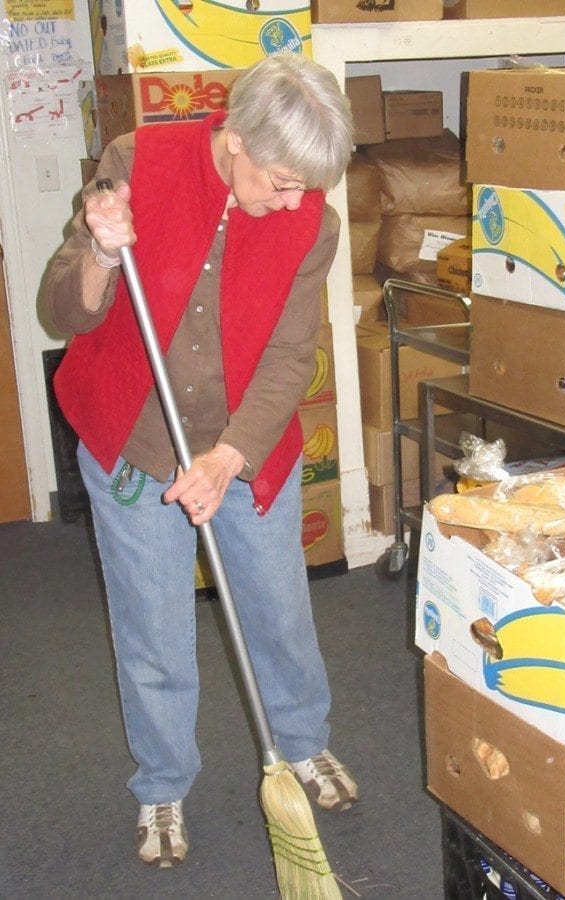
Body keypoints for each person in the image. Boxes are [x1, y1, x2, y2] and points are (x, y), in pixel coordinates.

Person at [44, 53, 357, 870]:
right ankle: (161, 782)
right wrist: (103, 254)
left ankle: (302, 739)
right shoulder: (134, 164)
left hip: (240, 446)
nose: (292, 202)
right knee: (153, 626)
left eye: (306, 187)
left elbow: (291, 356)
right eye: (282, 179)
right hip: (135, 439)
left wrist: (230, 455)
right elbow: (57, 309)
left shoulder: (311, 219)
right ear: (237, 139)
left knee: (279, 609)